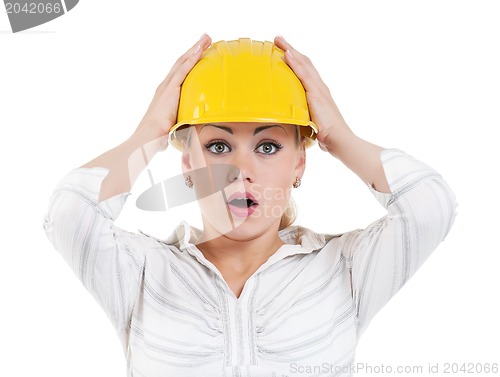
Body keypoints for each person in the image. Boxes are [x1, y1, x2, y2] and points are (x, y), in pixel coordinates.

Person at [43, 34, 457, 377]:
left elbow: (430, 206)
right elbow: (68, 213)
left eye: (268, 146)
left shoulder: (343, 270)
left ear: (299, 162)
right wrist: (151, 130)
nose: (241, 170)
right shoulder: (142, 271)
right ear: (188, 164)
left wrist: (336, 134)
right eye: (218, 146)